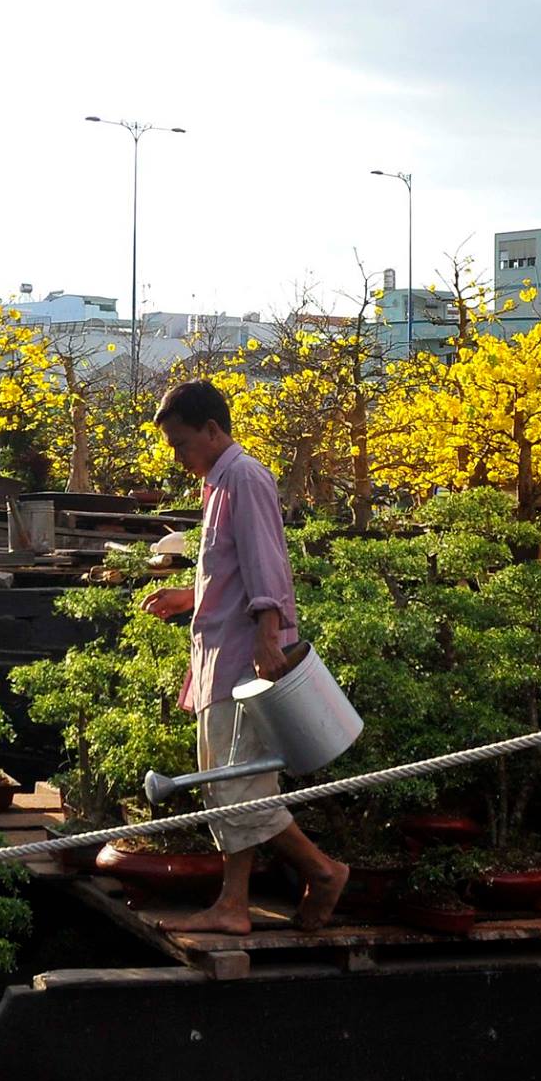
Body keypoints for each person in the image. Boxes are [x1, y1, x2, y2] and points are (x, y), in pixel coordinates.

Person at [139, 380, 348, 933]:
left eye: (182, 444)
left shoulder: (244, 478)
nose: (179, 457)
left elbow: (266, 562)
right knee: (228, 784)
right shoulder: (220, 482)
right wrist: (190, 596)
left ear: (212, 430)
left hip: (243, 657)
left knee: (236, 785)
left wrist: (267, 634)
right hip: (224, 653)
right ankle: (234, 904)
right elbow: (230, 566)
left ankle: (321, 870)